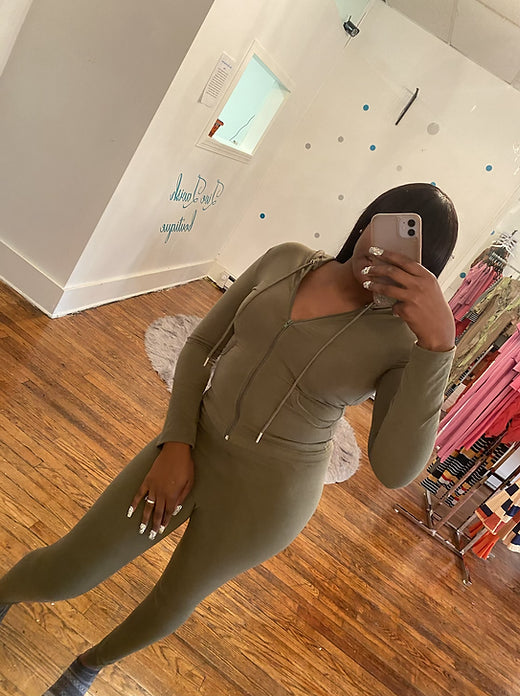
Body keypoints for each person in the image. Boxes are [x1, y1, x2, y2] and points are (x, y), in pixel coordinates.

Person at [0, 183, 458, 695]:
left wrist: (438, 346)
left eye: (409, 252)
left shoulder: (403, 343)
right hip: (190, 445)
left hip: (268, 499)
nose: (388, 254)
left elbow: (395, 470)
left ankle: (86, 669)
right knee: (70, 569)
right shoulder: (286, 260)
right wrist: (176, 442)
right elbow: (201, 346)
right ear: (368, 221)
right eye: (388, 228)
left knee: (173, 600)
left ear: (426, 273)